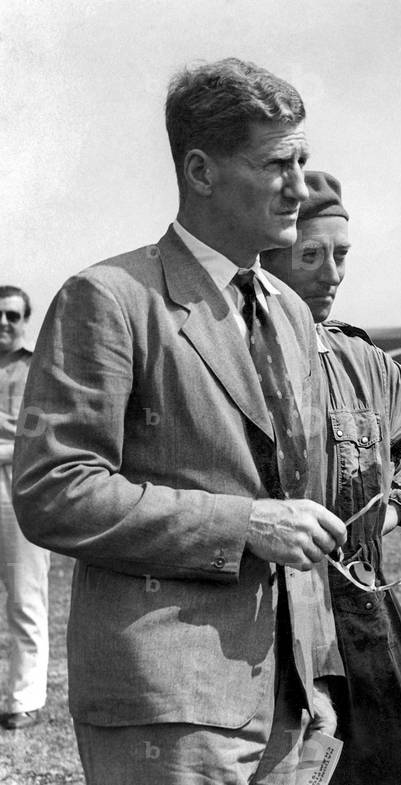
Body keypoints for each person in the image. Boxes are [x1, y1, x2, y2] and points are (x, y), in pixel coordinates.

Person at [12, 58, 347, 784]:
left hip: (290, 700)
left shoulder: (289, 312)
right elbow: (53, 489)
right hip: (167, 708)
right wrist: (243, 524)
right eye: (277, 164)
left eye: (304, 161)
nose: (300, 186)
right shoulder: (109, 298)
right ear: (200, 171)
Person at [261, 170, 401, 785]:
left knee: (390, 763)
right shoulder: (227, 357)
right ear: (269, 257)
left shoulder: (360, 362)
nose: (331, 273)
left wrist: (399, 505)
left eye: (341, 254)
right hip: (263, 616)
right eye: (311, 255)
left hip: (360, 611)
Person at [0, 286, 49, 731]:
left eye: (12, 316)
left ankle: (24, 699)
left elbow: (37, 439)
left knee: (25, 597)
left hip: (18, 489)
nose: (3, 323)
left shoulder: (39, 367)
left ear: (24, 320)